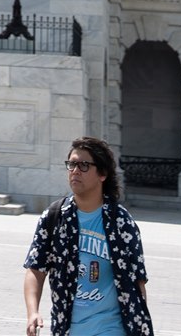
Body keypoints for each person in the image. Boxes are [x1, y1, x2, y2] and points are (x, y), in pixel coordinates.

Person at [22, 137, 153, 336]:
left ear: (102, 174)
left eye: (83, 165)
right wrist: (32, 313)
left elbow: (137, 281)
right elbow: (35, 269)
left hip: (112, 328)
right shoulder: (55, 217)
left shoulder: (120, 221)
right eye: (72, 164)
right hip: (68, 328)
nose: (75, 171)